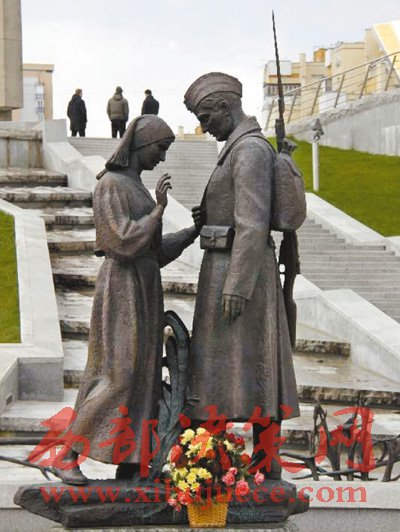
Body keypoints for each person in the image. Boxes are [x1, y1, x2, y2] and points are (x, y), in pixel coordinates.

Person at [52, 115, 198, 485]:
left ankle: (132, 461)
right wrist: (159, 210)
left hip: (145, 286)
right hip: (122, 289)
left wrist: (192, 231)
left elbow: (154, 251)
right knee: (120, 374)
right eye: (160, 148)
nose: (162, 157)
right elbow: (122, 241)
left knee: (145, 376)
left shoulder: (136, 186)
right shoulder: (112, 184)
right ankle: (67, 454)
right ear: (141, 144)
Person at [184, 72, 300, 480]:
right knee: (223, 370)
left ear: (225, 107)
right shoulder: (236, 148)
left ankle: (254, 461)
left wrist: (237, 285)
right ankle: (212, 463)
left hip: (237, 271)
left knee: (246, 368)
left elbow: (252, 223)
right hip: (227, 265)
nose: (204, 127)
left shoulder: (249, 149)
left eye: (206, 117)